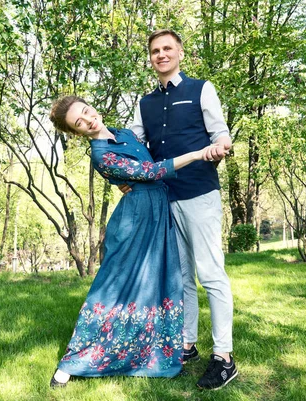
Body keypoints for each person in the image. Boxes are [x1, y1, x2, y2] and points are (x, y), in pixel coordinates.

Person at [48, 95, 218, 387]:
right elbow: (150, 171)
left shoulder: (124, 134)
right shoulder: (100, 154)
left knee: (158, 281)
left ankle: (156, 350)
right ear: (77, 132)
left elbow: (149, 158)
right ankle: (73, 362)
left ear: (93, 108)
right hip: (135, 218)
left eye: (87, 112)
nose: (89, 120)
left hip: (158, 210)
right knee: (112, 286)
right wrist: (197, 154)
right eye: (80, 123)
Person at [127, 29, 238, 390]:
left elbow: (220, 132)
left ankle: (224, 357)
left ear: (180, 53)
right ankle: (187, 344)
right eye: (155, 51)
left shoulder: (201, 89)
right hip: (164, 198)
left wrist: (222, 145)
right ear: (150, 57)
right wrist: (124, 173)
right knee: (182, 277)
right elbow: (134, 145)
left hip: (200, 193)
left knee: (211, 275)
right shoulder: (144, 103)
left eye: (167, 49)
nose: (161, 55)